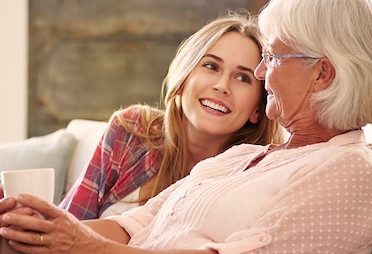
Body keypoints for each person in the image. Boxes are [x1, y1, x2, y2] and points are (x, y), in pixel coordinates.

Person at [0, 0, 372, 253]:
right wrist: (53, 230)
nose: (263, 73)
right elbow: (135, 223)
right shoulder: (247, 157)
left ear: (323, 73)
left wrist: (79, 245)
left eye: (271, 59)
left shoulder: (348, 174)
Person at [52, 10, 283, 220]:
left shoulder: (255, 177)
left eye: (243, 78)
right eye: (211, 66)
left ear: (257, 109)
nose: (222, 86)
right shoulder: (132, 130)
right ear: (184, 77)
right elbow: (68, 223)